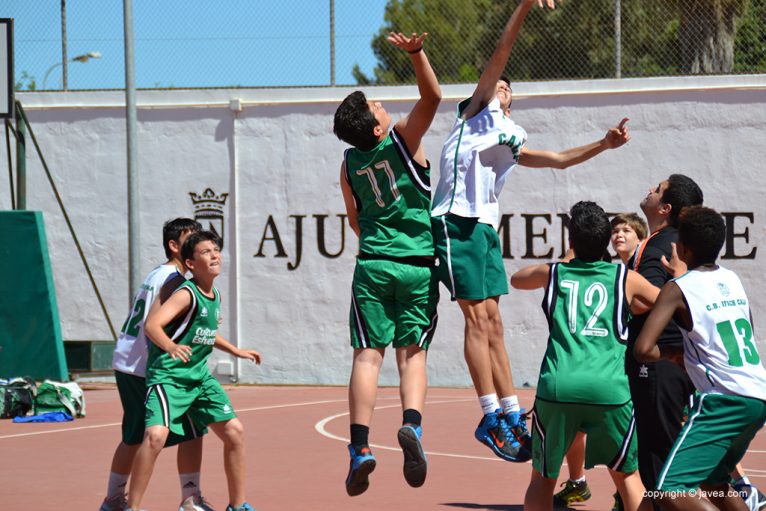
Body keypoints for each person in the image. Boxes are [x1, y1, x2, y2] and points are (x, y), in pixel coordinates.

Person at [430, 0, 631, 462]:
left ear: (512, 99)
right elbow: (500, 53)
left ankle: (511, 409)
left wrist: (604, 144)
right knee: (477, 319)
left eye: (507, 86)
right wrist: (523, 6)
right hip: (453, 220)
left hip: (482, 228)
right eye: (496, 82)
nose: (501, 84)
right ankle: (488, 416)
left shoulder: (513, 133)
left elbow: (558, 159)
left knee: (495, 322)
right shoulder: (474, 113)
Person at [333, 30, 441, 497]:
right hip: (417, 262)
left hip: (373, 262)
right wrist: (417, 53)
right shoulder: (401, 141)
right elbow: (433, 96)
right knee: (412, 353)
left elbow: (355, 219)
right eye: (377, 107)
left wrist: (379, 243)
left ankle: (360, 448)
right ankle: (412, 427)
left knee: (366, 356)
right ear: (378, 129)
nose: (382, 106)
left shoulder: (348, 164)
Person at [510, 201, 656, 511]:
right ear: (606, 240)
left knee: (542, 479)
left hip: (559, 387)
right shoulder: (623, 278)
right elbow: (662, 301)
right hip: (610, 389)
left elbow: (517, 279)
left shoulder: (554, 273)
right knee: (628, 477)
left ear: (572, 240)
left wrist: (567, 256)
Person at [634, 206, 766, 511]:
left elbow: (643, 349)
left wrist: (671, 354)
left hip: (723, 399)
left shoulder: (677, 288)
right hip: (756, 395)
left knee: (670, 489)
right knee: (713, 481)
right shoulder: (732, 279)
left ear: (683, 247)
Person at [126, 231, 261, 511]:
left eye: (216, 250)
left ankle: (238, 505)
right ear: (190, 262)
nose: (214, 255)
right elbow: (152, 326)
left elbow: (205, 332)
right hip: (169, 378)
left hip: (199, 379)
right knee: (155, 437)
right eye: (205, 252)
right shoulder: (185, 294)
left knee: (234, 432)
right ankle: (132, 507)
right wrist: (171, 347)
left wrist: (235, 350)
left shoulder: (214, 295)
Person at [103, 218, 216, 511]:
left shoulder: (159, 273)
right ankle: (180, 499)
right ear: (175, 246)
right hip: (150, 368)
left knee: (145, 434)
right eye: (192, 240)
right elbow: (153, 326)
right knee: (160, 435)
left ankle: (117, 499)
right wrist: (171, 353)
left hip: (130, 362)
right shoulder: (174, 280)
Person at [554, 211, 648, 509]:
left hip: (618, 369)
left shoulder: (633, 272)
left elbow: (661, 301)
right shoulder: (617, 272)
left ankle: (736, 482)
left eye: (626, 231)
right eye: (615, 230)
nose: (620, 234)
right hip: (606, 376)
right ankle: (579, 481)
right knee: (585, 432)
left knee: (628, 455)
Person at [625, 174, 703, 505]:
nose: (649, 190)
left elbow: (644, 300)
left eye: (656, 190)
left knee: (662, 470)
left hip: (658, 364)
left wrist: (622, 294)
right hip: (681, 361)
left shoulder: (655, 245)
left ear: (665, 207)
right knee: (672, 462)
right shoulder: (684, 244)